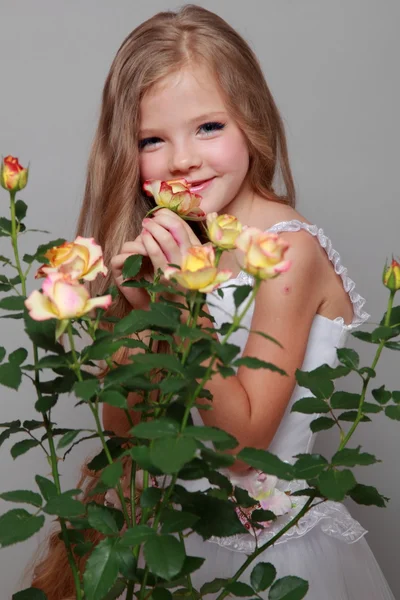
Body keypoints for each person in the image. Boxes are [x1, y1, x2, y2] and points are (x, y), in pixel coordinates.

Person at [30, 5, 395, 599]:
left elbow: (244, 451)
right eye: (153, 139)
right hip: (171, 537)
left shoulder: (286, 253)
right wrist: (136, 318)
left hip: (268, 551)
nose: (182, 159)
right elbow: (127, 434)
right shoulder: (172, 248)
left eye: (208, 128)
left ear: (251, 120)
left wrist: (179, 306)